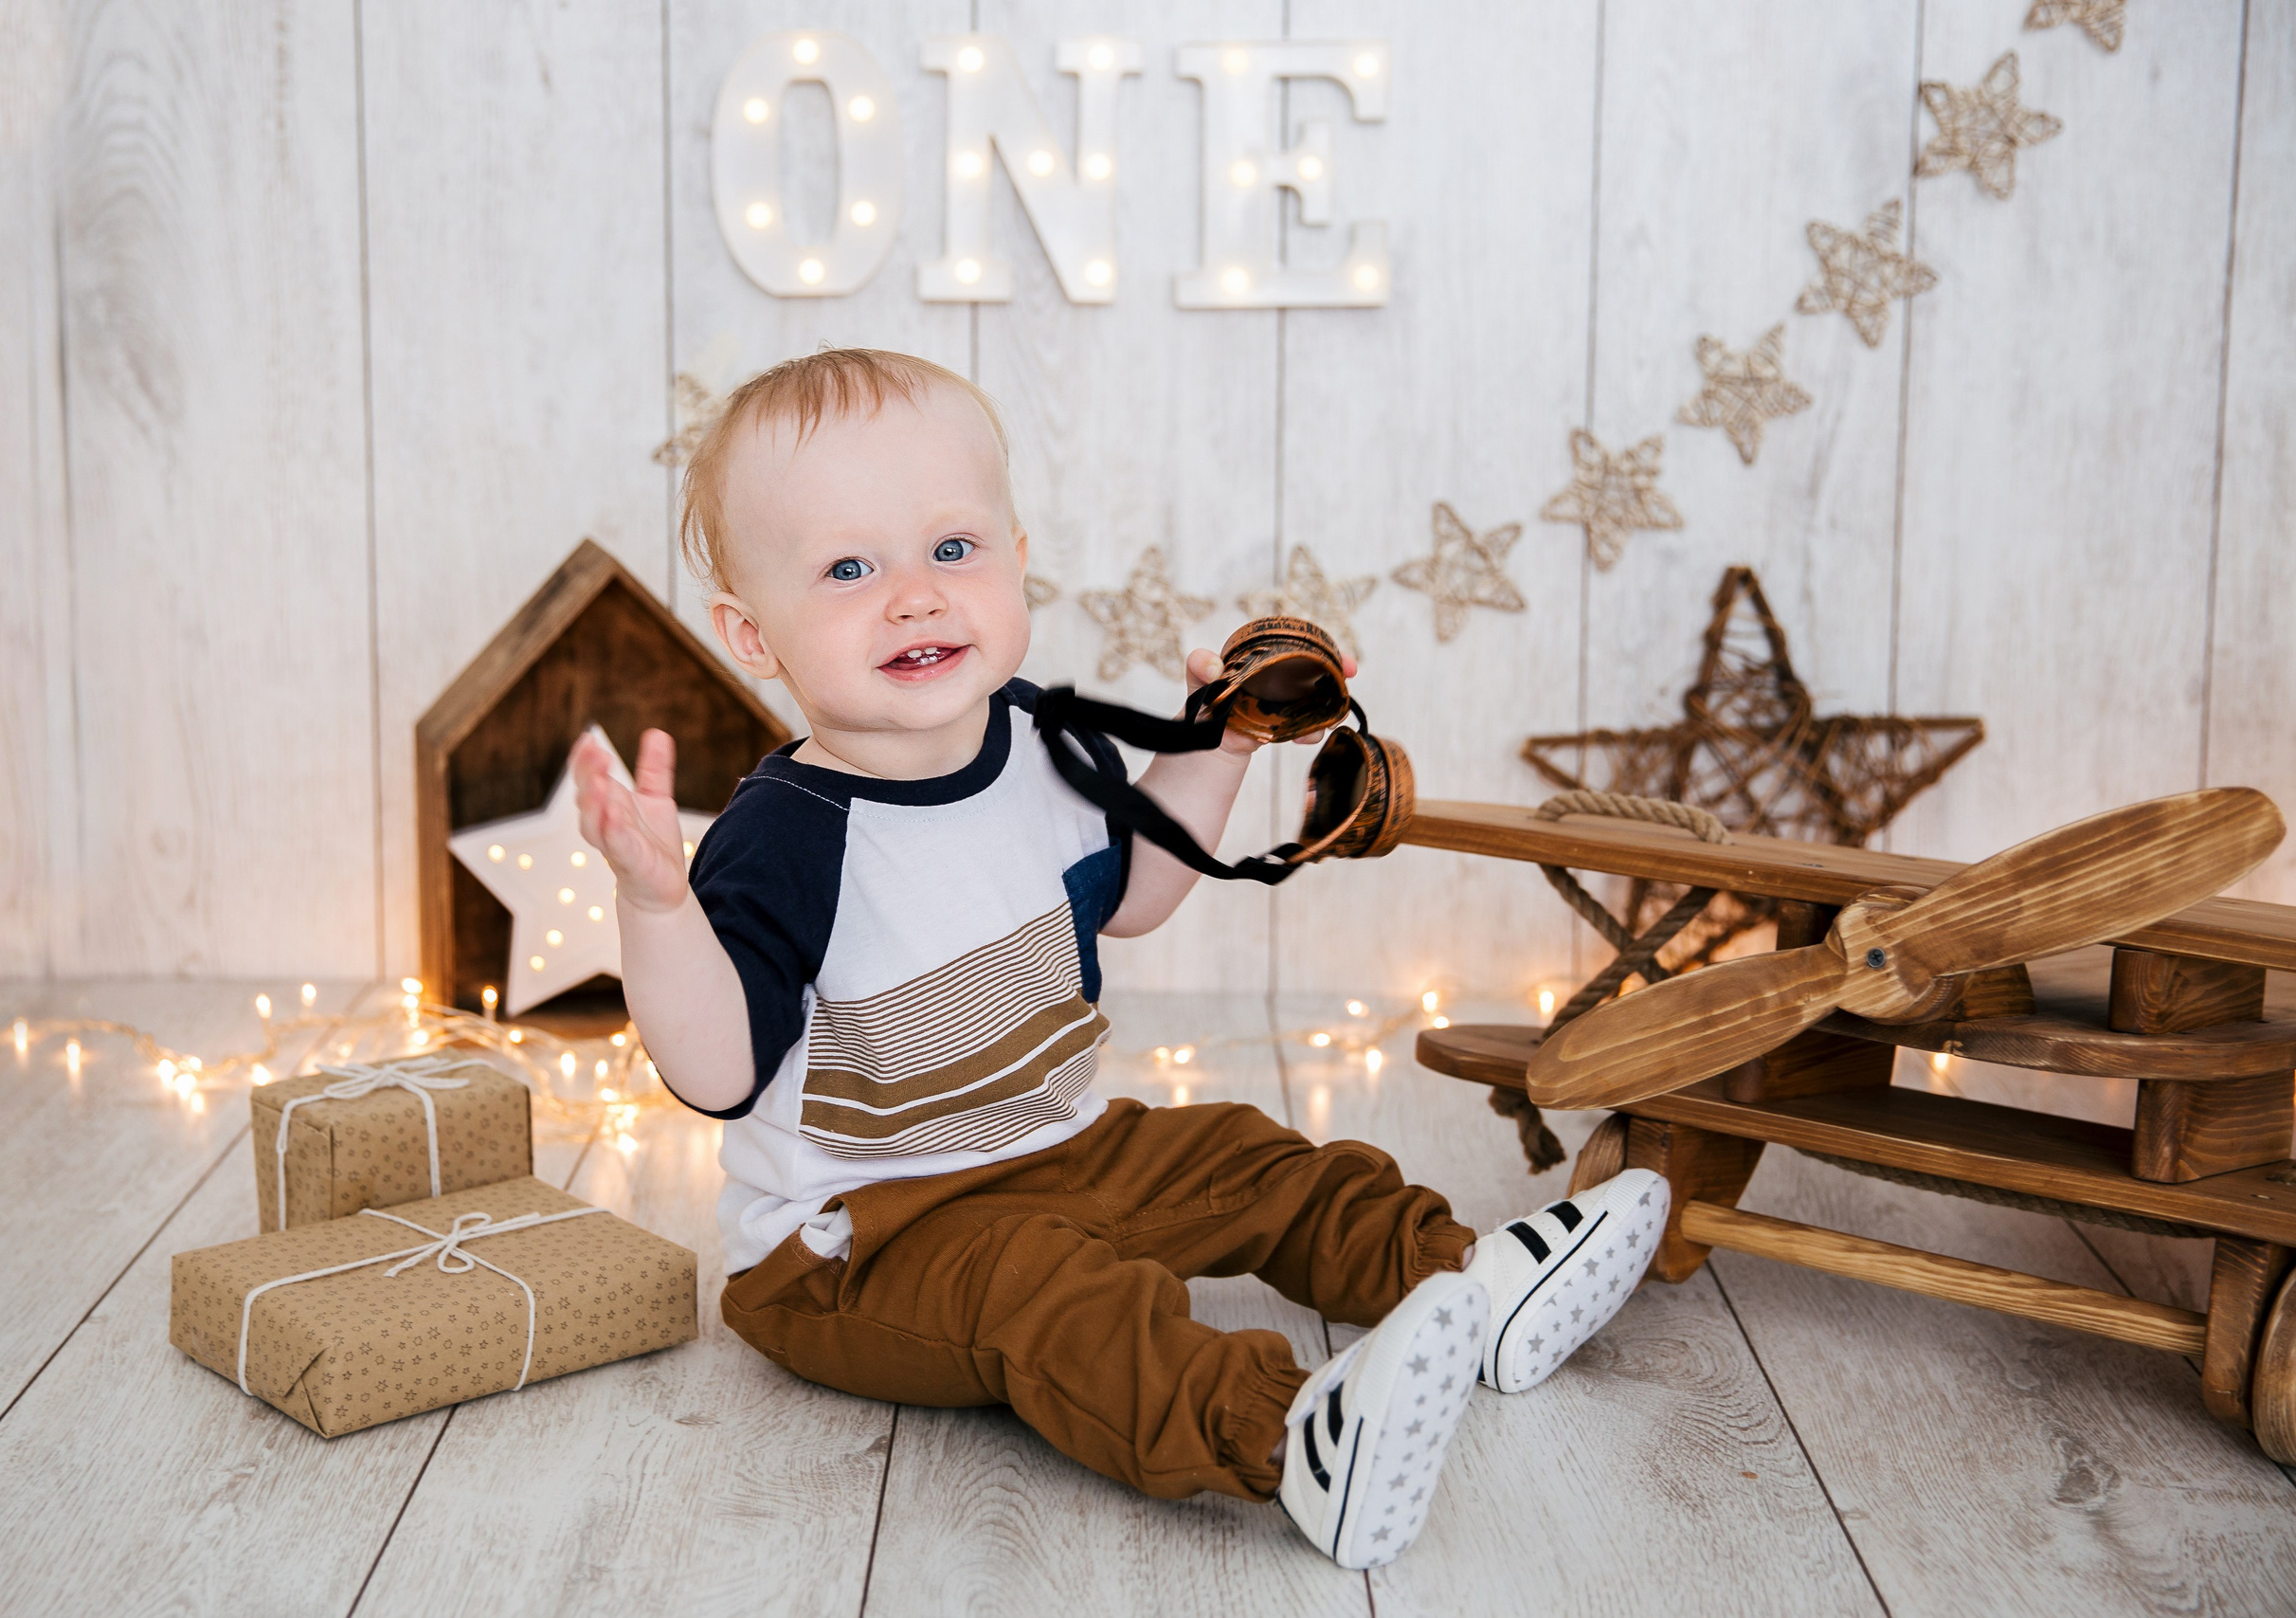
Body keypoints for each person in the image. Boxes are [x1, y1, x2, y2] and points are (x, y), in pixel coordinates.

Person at [572, 348, 1667, 1570]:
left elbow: (1137, 894)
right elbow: (717, 1071)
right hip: (859, 1245)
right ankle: (1288, 1437)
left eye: (952, 549)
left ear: (1016, 557)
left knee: (1248, 1156)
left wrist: (1228, 744)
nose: (918, 597)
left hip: (1066, 1148)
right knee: (1052, 1300)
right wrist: (659, 908)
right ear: (752, 636)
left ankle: (1463, 1277)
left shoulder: (1038, 737)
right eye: (846, 568)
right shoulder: (787, 835)